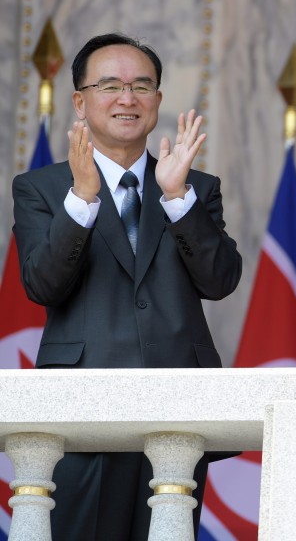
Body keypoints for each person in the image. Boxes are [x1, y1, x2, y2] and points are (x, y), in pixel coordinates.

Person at [12, 33, 242, 540]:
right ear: (80, 100)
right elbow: (42, 284)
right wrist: (82, 201)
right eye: (110, 85)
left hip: (178, 411)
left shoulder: (195, 186)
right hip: (80, 407)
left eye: (142, 86)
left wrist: (178, 198)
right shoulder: (41, 189)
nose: (127, 98)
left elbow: (220, 279)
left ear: (158, 100)